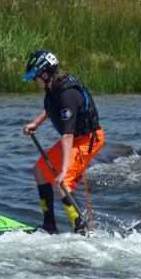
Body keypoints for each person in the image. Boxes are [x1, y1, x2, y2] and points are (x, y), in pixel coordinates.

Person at [22, 50, 104, 235]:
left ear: (44, 74)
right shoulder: (54, 88)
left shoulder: (68, 94)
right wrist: (36, 123)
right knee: (40, 170)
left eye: (34, 79)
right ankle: (49, 226)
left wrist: (62, 172)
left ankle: (83, 233)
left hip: (88, 140)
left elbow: (67, 136)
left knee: (62, 184)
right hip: (73, 139)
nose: (34, 83)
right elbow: (52, 108)